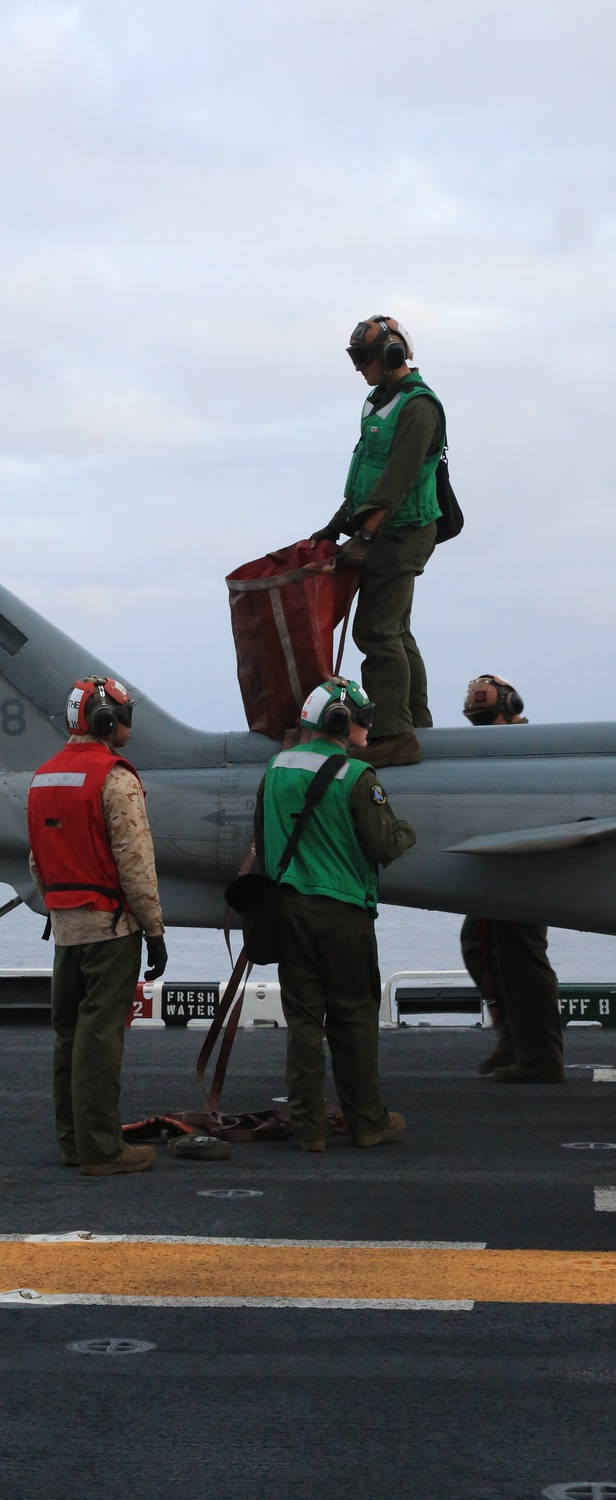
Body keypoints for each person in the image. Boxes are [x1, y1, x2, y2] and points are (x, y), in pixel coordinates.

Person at [254, 678, 415, 1149]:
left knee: (304, 1020)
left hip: (290, 910)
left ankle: (309, 1130)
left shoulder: (276, 769)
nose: (368, 728)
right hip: (344, 916)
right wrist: (407, 831)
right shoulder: (357, 777)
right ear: (341, 722)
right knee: (354, 1017)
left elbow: (264, 844)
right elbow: (385, 844)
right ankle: (367, 1122)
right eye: (363, 719)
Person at [27, 676, 167, 1177]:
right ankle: (103, 1150)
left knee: (69, 1035)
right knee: (101, 1037)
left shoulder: (44, 778)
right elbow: (135, 862)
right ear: (105, 719)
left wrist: (61, 911)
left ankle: (73, 1142)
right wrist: (153, 929)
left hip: (65, 930)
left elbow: (36, 863)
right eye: (123, 713)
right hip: (110, 930)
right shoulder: (115, 778)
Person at [314, 316, 447, 769]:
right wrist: (338, 523)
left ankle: (393, 735)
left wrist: (364, 537)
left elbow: (398, 479)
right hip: (384, 529)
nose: (358, 368)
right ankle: (415, 723)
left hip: (403, 532)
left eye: (362, 358)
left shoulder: (419, 407)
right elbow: (367, 469)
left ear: (391, 355)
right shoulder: (378, 400)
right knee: (396, 629)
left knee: (375, 630)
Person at [459, 677, 565, 1083]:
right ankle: (513, 1037)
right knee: (477, 942)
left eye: (488, 719)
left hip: (526, 864)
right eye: (477, 721)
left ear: (512, 709)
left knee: (522, 953)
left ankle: (540, 1057)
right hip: (501, 864)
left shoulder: (530, 750)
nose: (482, 729)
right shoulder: (497, 751)